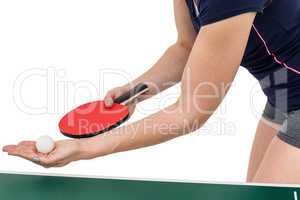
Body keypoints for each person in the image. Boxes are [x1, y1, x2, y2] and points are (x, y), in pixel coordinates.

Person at [3, 0, 300, 184]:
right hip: (283, 93)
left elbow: (191, 112)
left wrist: (85, 149)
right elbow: (187, 46)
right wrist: (136, 92)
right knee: (263, 194)